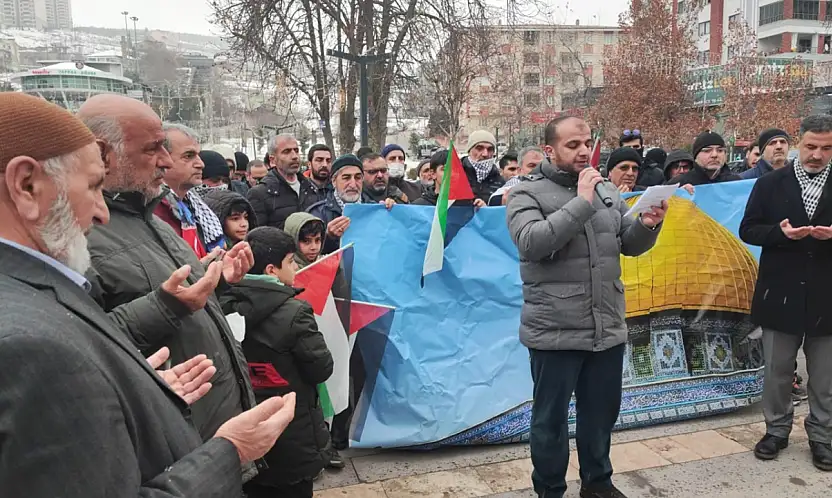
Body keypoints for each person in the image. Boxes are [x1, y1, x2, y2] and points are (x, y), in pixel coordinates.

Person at [0, 91, 297, 497]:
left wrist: (143, 390)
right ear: (26, 185)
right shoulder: (26, 347)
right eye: (91, 186)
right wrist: (229, 453)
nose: (101, 212)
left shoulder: (154, 219)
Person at [78, 96, 261, 464]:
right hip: (175, 446)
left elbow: (183, 298)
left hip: (214, 428)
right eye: (153, 148)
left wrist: (215, 279)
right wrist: (166, 305)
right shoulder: (80, 236)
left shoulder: (155, 221)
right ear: (103, 153)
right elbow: (82, 345)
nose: (166, 160)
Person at [506, 116, 666, 498]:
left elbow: (628, 243)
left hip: (605, 325)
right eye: (572, 145)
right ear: (549, 150)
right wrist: (581, 201)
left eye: (587, 143)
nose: (583, 151)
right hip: (555, 330)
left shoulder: (606, 188)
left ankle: (597, 483)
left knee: (600, 415)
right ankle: (550, 489)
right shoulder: (525, 193)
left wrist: (647, 223)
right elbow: (532, 243)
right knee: (550, 422)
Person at [739, 114, 832, 472]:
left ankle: (822, 436)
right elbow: (749, 229)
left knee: (824, 376)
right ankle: (776, 430)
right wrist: (780, 234)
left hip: (826, 294)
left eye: (826, 148)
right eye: (811, 146)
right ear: (798, 143)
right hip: (780, 292)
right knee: (777, 371)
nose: (817, 155)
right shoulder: (770, 184)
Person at [224, 227, 335, 498]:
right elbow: (321, 368)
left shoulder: (221, 304)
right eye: (290, 261)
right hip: (292, 431)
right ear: (272, 270)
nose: (295, 266)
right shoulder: (295, 312)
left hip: (241, 434)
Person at [155, 124, 227, 258]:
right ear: (161, 159)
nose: (201, 164)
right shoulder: (153, 211)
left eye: (198, 155)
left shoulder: (196, 207)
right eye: (188, 156)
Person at [307, 154, 394, 255]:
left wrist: (392, 216)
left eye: (358, 178)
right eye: (346, 178)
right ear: (334, 181)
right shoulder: (317, 213)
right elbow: (308, 255)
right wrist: (329, 237)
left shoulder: (374, 209)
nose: (353, 184)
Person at [248, 134, 318, 229]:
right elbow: (257, 235)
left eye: (296, 150)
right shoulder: (259, 194)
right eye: (286, 152)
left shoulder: (311, 188)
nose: (294, 156)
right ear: (272, 160)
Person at [665, 131, 740, 188]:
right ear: (696, 156)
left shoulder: (737, 183)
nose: (714, 155)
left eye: (720, 150)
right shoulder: (678, 184)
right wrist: (679, 196)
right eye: (707, 151)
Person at [463, 130, 506, 202]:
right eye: (479, 148)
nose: (485, 154)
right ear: (469, 150)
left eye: (490, 149)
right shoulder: (455, 176)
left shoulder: (500, 181)